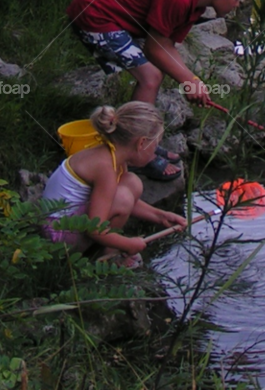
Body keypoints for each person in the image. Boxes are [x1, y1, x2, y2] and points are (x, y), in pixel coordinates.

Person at [66, 0, 250, 179]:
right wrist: (189, 81)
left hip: (117, 20)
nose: (238, 3)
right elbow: (154, 48)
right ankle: (136, 152)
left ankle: (146, 142)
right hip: (94, 14)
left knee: (155, 73)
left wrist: (191, 81)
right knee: (150, 77)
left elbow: (165, 47)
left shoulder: (194, 6)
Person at [40, 102, 187, 267]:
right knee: (123, 196)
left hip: (67, 220)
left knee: (131, 182)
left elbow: (117, 200)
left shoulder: (112, 154)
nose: (155, 151)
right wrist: (127, 244)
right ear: (141, 143)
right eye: (155, 145)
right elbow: (94, 228)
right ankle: (110, 255)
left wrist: (161, 216)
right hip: (60, 237)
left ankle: (107, 248)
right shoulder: (106, 168)